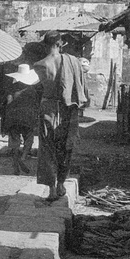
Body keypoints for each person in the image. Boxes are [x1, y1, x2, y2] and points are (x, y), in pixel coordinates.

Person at [32, 31, 89, 203]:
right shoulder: (73, 62)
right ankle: (61, 184)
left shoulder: (40, 65)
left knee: (48, 149)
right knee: (66, 147)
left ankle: (51, 189)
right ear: (59, 44)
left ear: (45, 44)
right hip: (68, 108)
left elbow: (38, 88)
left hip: (48, 108)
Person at [0, 63, 40, 175]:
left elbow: (8, 102)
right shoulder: (32, 90)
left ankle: (15, 166)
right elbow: (36, 105)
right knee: (29, 140)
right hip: (27, 118)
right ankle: (23, 157)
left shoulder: (12, 89)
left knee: (15, 143)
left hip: (13, 119)